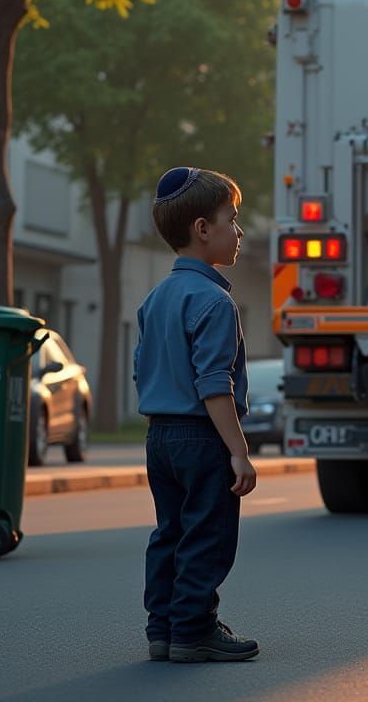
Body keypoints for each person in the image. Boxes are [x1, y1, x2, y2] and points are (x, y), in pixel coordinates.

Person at [133, 166, 259, 662]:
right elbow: (214, 386)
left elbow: (143, 372)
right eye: (232, 218)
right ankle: (194, 629)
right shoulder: (213, 301)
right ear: (202, 230)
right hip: (202, 439)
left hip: (159, 438)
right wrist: (239, 451)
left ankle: (161, 629)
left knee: (170, 533)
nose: (239, 230)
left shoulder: (155, 298)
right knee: (207, 536)